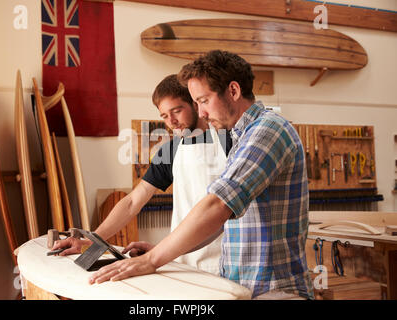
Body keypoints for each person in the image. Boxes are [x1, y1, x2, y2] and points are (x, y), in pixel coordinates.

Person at [89, 50, 314, 300]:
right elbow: (226, 224)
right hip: (236, 285)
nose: (203, 113)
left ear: (233, 91)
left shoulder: (267, 130)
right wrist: (160, 250)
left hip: (273, 290)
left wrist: (153, 259)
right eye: (197, 104)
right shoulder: (240, 137)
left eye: (204, 101)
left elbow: (217, 205)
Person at [52, 74, 232, 275]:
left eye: (177, 111)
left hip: (226, 261)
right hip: (182, 263)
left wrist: (159, 253)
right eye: (164, 116)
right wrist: (90, 241)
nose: (171, 121)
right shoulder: (171, 151)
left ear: (194, 104)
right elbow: (132, 203)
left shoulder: (229, 142)